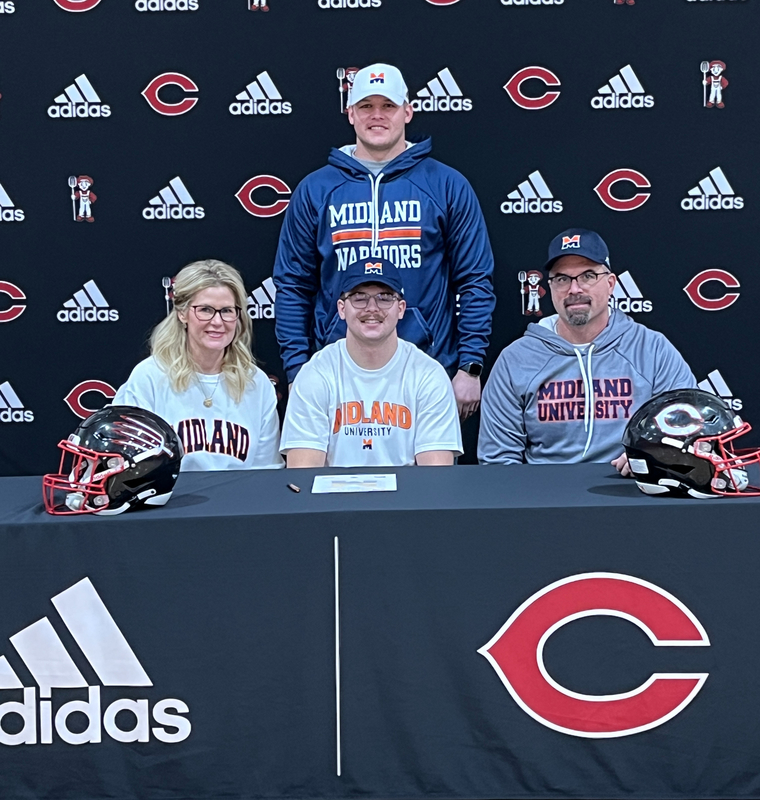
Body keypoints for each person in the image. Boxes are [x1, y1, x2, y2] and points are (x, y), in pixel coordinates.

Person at [273, 62, 495, 420]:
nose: (377, 116)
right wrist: (299, 371)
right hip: (337, 373)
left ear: (408, 111)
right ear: (350, 113)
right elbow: (293, 285)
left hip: (428, 368)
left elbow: (474, 281)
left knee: (431, 477)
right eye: (366, 106)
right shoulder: (316, 189)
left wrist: (470, 367)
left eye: (388, 106)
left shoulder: (447, 185)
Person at [478, 228, 696, 470]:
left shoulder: (652, 349)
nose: (574, 290)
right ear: (550, 287)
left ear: (611, 284)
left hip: (632, 490)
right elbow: (498, 461)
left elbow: (686, 425)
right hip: (542, 497)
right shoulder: (515, 359)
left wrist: (654, 454)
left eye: (588, 276)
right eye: (562, 279)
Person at [280, 258, 462, 468]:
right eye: (359, 298)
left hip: (408, 500)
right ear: (341, 308)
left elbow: (436, 482)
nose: (372, 308)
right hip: (333, 499)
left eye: (385, 298)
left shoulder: (429, 376)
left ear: (401, 308)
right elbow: (302, 480)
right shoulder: (315, 374)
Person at [114, 259, 283, 471]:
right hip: (167, 502)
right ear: (182, 313)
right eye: (205, 310)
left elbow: (265, 472)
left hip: (238, 502)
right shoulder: (150, 377)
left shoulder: (256, 383)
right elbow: (125, 464)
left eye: (227, 311)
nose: (217, 322)